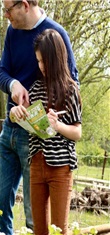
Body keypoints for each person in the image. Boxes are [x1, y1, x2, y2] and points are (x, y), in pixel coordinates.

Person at [0, 0, 79, 234]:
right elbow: (1, 73)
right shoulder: (13, 32)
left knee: (36, 219)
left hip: (37, 140)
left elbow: (71, 82)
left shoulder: (56, 34)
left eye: (9, 9)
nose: (6, 15)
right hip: (10, 130)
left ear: (26, 5)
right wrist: (13, 85)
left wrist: (52, 121)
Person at [9, 28, 82, 234]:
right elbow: (26, 118)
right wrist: (16, 113)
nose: (41, 66)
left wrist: (57, 126)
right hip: (36, 163)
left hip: (61, 166)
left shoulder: (71, 90)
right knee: (39, 230)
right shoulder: (35, 89)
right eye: (38, 61)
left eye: (44, 61)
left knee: (59, 229)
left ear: (57, 58)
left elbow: (77, 132)